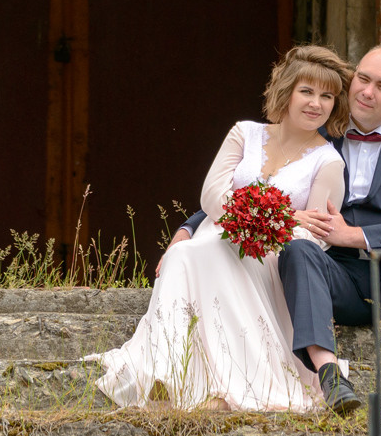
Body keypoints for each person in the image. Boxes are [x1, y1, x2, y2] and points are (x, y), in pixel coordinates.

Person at [163, 45, 381, 417]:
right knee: (299, 249)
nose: (367, 92)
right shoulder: (316, 129)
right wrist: (190, 227)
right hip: (329, 278)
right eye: (363, 79)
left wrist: (354, 236)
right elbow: (260, 186)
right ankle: (331, 378)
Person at [86, 46, 352, 412]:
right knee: (183, 253)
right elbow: (212, 195)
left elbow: (312, 237)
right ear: (287, 92)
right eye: (307, 91)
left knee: (208, 254)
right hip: (217, 236)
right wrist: (286, 216)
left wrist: (265, 224)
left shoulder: (329, 161)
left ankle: (226, 384)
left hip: (268, 259)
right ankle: (170, 376)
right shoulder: (245, 133)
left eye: (327, 96)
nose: (316, 104)